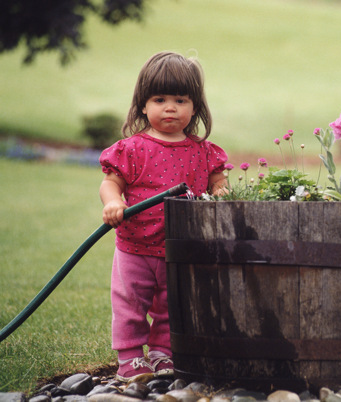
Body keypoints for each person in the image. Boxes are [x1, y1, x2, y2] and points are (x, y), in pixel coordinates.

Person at [99, 51, 228, 381]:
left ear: (195, 106)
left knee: (175, 306)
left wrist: (221, 193)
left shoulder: (203, 151)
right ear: (143, 105)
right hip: (135, 247)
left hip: (182, 248)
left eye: (180, 100)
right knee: (131, 304)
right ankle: (130, 359)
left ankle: (162, 352)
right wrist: (113, 202)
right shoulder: (133, 149)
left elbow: (219, 182)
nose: (170, 108)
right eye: (159, 99)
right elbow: (111, 183)